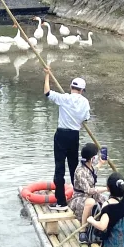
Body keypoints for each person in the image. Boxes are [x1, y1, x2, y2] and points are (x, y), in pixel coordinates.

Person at [44, 72, 91, 208]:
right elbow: (86, 118)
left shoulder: (64, 98)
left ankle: (61, 202)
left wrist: (47, 75)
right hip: (74, 136)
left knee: (59, 168)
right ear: (82, 90)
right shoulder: (85, 102)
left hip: (62, 135)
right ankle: (79, 198)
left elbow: (47, 92)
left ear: (71, 87)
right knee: (74, 167)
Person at [70, 143, 109, 227]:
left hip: (93, 196)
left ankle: (104, 225)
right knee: (90, 202)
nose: (98, 156)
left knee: (107, 202)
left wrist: (101, 163)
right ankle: (83, 228)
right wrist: (106, 188)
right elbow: (89, 191)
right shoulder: (80, 171)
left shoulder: (90, 166)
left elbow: (93, 171)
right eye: (96, 155)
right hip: (80, 198)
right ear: (92, 158)